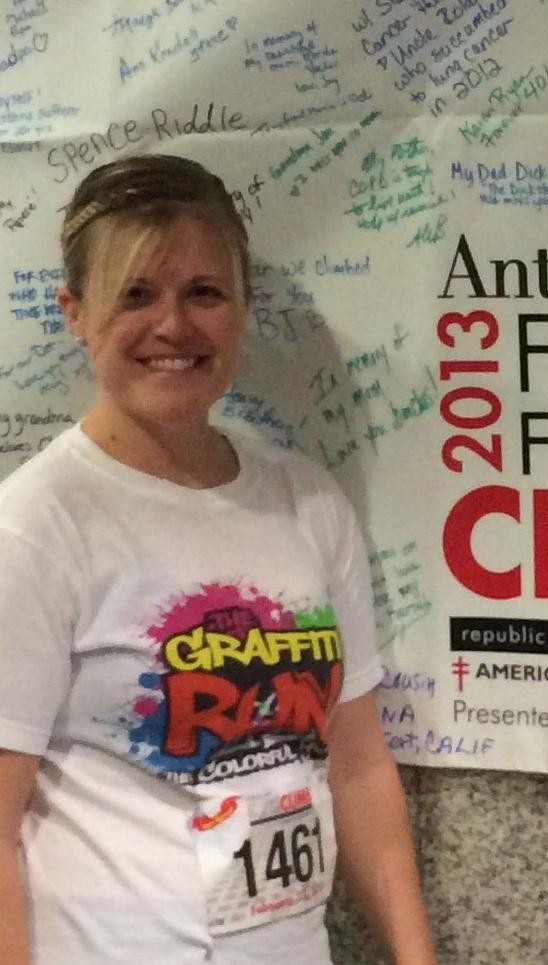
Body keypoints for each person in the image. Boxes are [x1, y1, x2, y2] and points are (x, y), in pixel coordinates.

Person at [0, 155, 438, 964]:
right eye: (135, 293)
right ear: (75, 312)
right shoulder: (35, 525)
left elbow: (361, 768)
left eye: (203, 292)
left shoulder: (306, 500)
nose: (172, 325)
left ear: (242, 309)